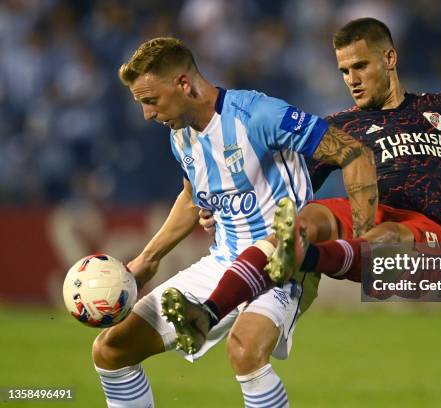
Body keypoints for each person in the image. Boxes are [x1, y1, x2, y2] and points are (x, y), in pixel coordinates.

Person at [187, 16, 441, 334]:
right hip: (368, 218)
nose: (352, 79)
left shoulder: (440, 107)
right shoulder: (341, 127)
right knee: (306, 220)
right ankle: (209, 310)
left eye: (360, 66)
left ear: (389, 59)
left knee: (388, 239)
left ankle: (308, 259)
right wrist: (223, 209)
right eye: (344, 70)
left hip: (425, 233)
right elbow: (286, 181)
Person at [91, 37, 378, 408]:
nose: (147, 114)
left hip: (280, 262)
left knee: (244, 352)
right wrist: (148, 259)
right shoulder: (180, 136)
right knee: (111, 351)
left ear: (183, 83)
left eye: (151, 100)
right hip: (223, 261)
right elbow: (193, 198)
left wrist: (363, 241)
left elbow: (352, 152)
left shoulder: (259, 114)